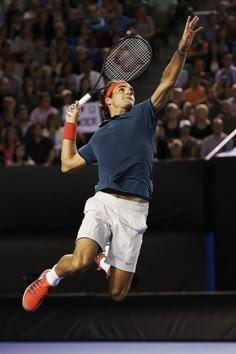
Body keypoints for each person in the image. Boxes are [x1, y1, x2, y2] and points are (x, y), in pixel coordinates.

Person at [22, 16, 202, 312]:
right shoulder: (98, 138)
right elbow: (67, 163)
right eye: (121, 89)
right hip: (103, 202)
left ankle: (104, 261)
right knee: (79, 261)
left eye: (131, 89)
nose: (129, 91)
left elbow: (167, 81)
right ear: (107, 101)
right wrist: (71, 124)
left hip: (135, 210)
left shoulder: (144, 114)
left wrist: (182, 48)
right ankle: (50, 277)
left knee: (117, 292)